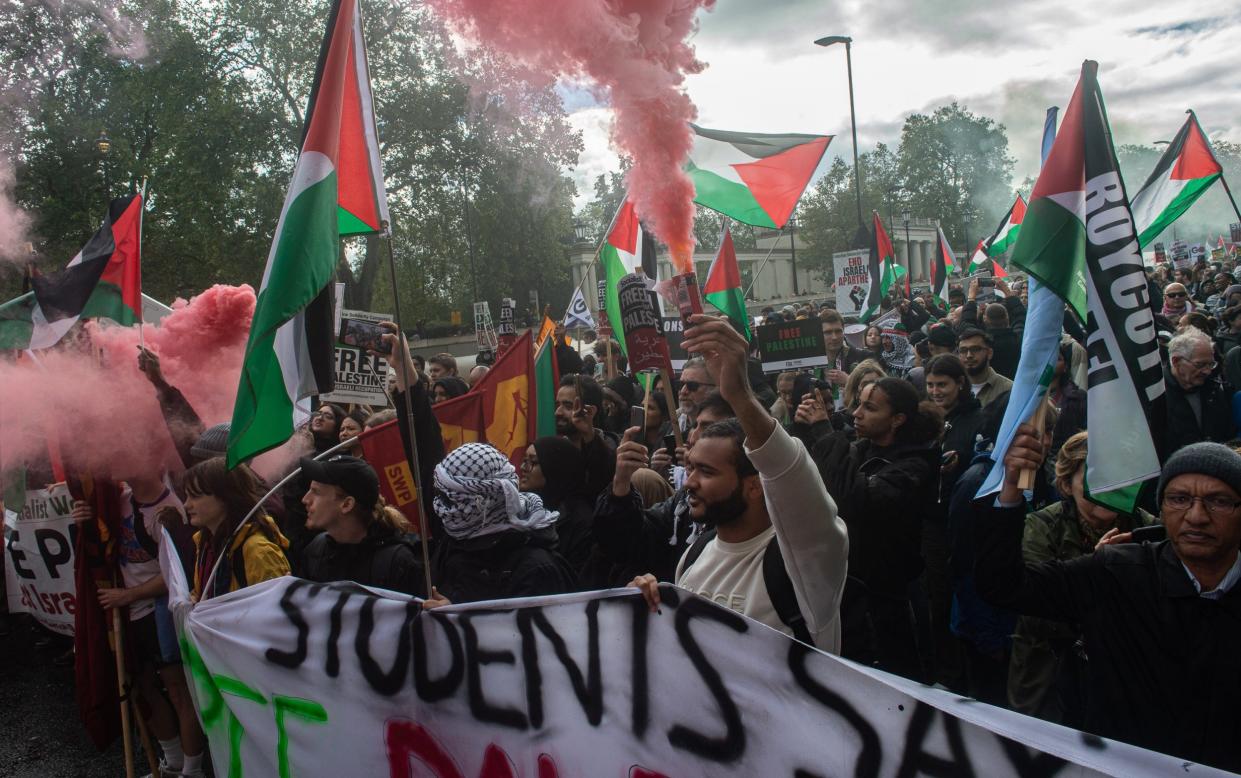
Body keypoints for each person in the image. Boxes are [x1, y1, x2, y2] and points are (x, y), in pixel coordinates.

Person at [976, 433, 1241, 772]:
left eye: (1219, 501)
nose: (1196, 516)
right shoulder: (1116, 573)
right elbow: (1003, 586)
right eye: (1179, 499)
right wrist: (1012, 487)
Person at [630, 314, 850, 651]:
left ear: (754, 484)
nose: (689, 483)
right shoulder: (694, 555)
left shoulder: (805, 559)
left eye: (707, 472)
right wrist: (654, 604)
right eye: (691, 469)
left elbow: (787, 469)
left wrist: (739, 395)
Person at [1006, 432, 1156, 724]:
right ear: (1066, 483)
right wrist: (1095, 570)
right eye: (1094, 479)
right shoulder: (1042, 526)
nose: (1108, 489)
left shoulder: (1147, 527)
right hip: (1048, 673)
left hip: (1124, 674)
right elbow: (1034, 606)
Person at [72, 475, 206, 778]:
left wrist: (128, 594)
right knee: (142, 687)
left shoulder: (170, 510)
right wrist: (84, 518)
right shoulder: (119, 500)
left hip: (159, 613)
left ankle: (193, 769)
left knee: (178, 690)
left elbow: (176, 576)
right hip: (128, 614)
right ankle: (171, 763)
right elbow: (101, 539)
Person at [811, 377, 943, 678]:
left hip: (892, 599)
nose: (856, 413)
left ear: (897, 419)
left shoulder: (915, 466)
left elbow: (854, 499)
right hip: (853, 592)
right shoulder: (861, 449)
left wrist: (823, 431)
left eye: (869, 408)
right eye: (858, 403)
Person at [594, 392, 736, 587]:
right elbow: (626, 543)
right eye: (695, 425)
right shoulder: (681, 506)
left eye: (710, 429)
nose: (693, 437)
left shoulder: (769, 543)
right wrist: (621, 483)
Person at [426, 443, 577, 604]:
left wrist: (454, 615)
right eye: (440, 495)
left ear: (483, 502)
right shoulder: (454, 543)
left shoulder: (537, 569)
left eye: (450, 499)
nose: (441, 507)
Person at [300, 455, 425, 595]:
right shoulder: (316, 550)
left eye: (316, 492)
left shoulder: (399, 563)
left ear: (347, 504)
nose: (305, 499)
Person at [184, 458, 291, 601]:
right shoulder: (205, 543)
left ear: (225, 497)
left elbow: (274, 611)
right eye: (186, 496)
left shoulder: (258, 551)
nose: (186, 505)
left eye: (195, 496)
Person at [520, 436, 597, 580]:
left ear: (554, 468)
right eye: (524, 461)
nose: (523, 468)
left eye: (533, 462)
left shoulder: (580, 522)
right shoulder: (520, 508)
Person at [1163, 328, 1236, 458]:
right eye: (1200, 365)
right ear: (1176, 361)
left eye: (1211, 364)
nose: (1207, 371)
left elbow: (1228, 435)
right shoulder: (1156, 397)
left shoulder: (1215, 390)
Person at [554, 374, 617, 495]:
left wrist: (589, 437)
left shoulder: (613, 449)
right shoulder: (555, 450)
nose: (558, 412)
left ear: (590, 411)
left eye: (568, 406)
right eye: (557, 405)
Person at [820, 310, 871, 403]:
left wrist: (849, 380)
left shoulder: (863, 357)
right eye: (828, 332)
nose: (834, 337)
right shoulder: (810, 363)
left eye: (838, 331)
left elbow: (876, 390)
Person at [957, 328, 1013, 407]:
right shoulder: (955, 388)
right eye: (963, 350)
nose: (969, 355)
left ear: (989, 353)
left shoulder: (1008, 389)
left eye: (975, 349)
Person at [676, 357, 715, 434]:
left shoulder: (724, 431)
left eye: (692, 385)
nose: (683, 391)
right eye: (680, 385)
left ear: (713, 388)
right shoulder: (671, 425)